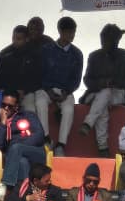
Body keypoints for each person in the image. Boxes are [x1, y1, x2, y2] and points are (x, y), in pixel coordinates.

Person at [29, 16, 84, 158]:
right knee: (40, 101)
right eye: (68, 32)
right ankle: (46, 139)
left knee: (68, 109)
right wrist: (48, 90)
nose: (71, 35)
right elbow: (39, 74)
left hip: (65, 91)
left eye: (73, 32)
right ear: (60, 31)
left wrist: (66, 92)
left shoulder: (77, 54)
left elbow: (76, 79)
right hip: (46, 89)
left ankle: (61, 145)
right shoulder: (46, 50)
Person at [80, 23, 125, 154]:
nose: (103, 43)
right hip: (96, 93)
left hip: (119, 94)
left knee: (105, 96)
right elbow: (87, 80)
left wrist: (113, 82)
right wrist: (102, 83)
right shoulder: (94, 56)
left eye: (107, 40)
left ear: (116, 41)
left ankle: (90, 125)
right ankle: (102, 147)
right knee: (103, 100)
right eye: (102, 39)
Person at [0, 91, 47, 195]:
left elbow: (39, 135)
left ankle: (5, 185)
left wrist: (20, 147)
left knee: (16, 147)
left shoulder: (28, 116)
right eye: (3, 105)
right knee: (22, 162)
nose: (6, 108)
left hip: (35, 153)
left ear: (16, 106)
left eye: (9, 106)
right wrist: (3, 124)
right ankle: (25, 195)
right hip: (14, 158)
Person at [0, 25, 40, 100]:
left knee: (30, 106)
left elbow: (37, 78)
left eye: (19, 39)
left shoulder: (34, 55)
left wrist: (25, 90)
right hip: (8, 94)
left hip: (28, 93)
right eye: (13, 38)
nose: (15, 41)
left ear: (27, 39)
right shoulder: (3, 56)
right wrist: (12, 91)